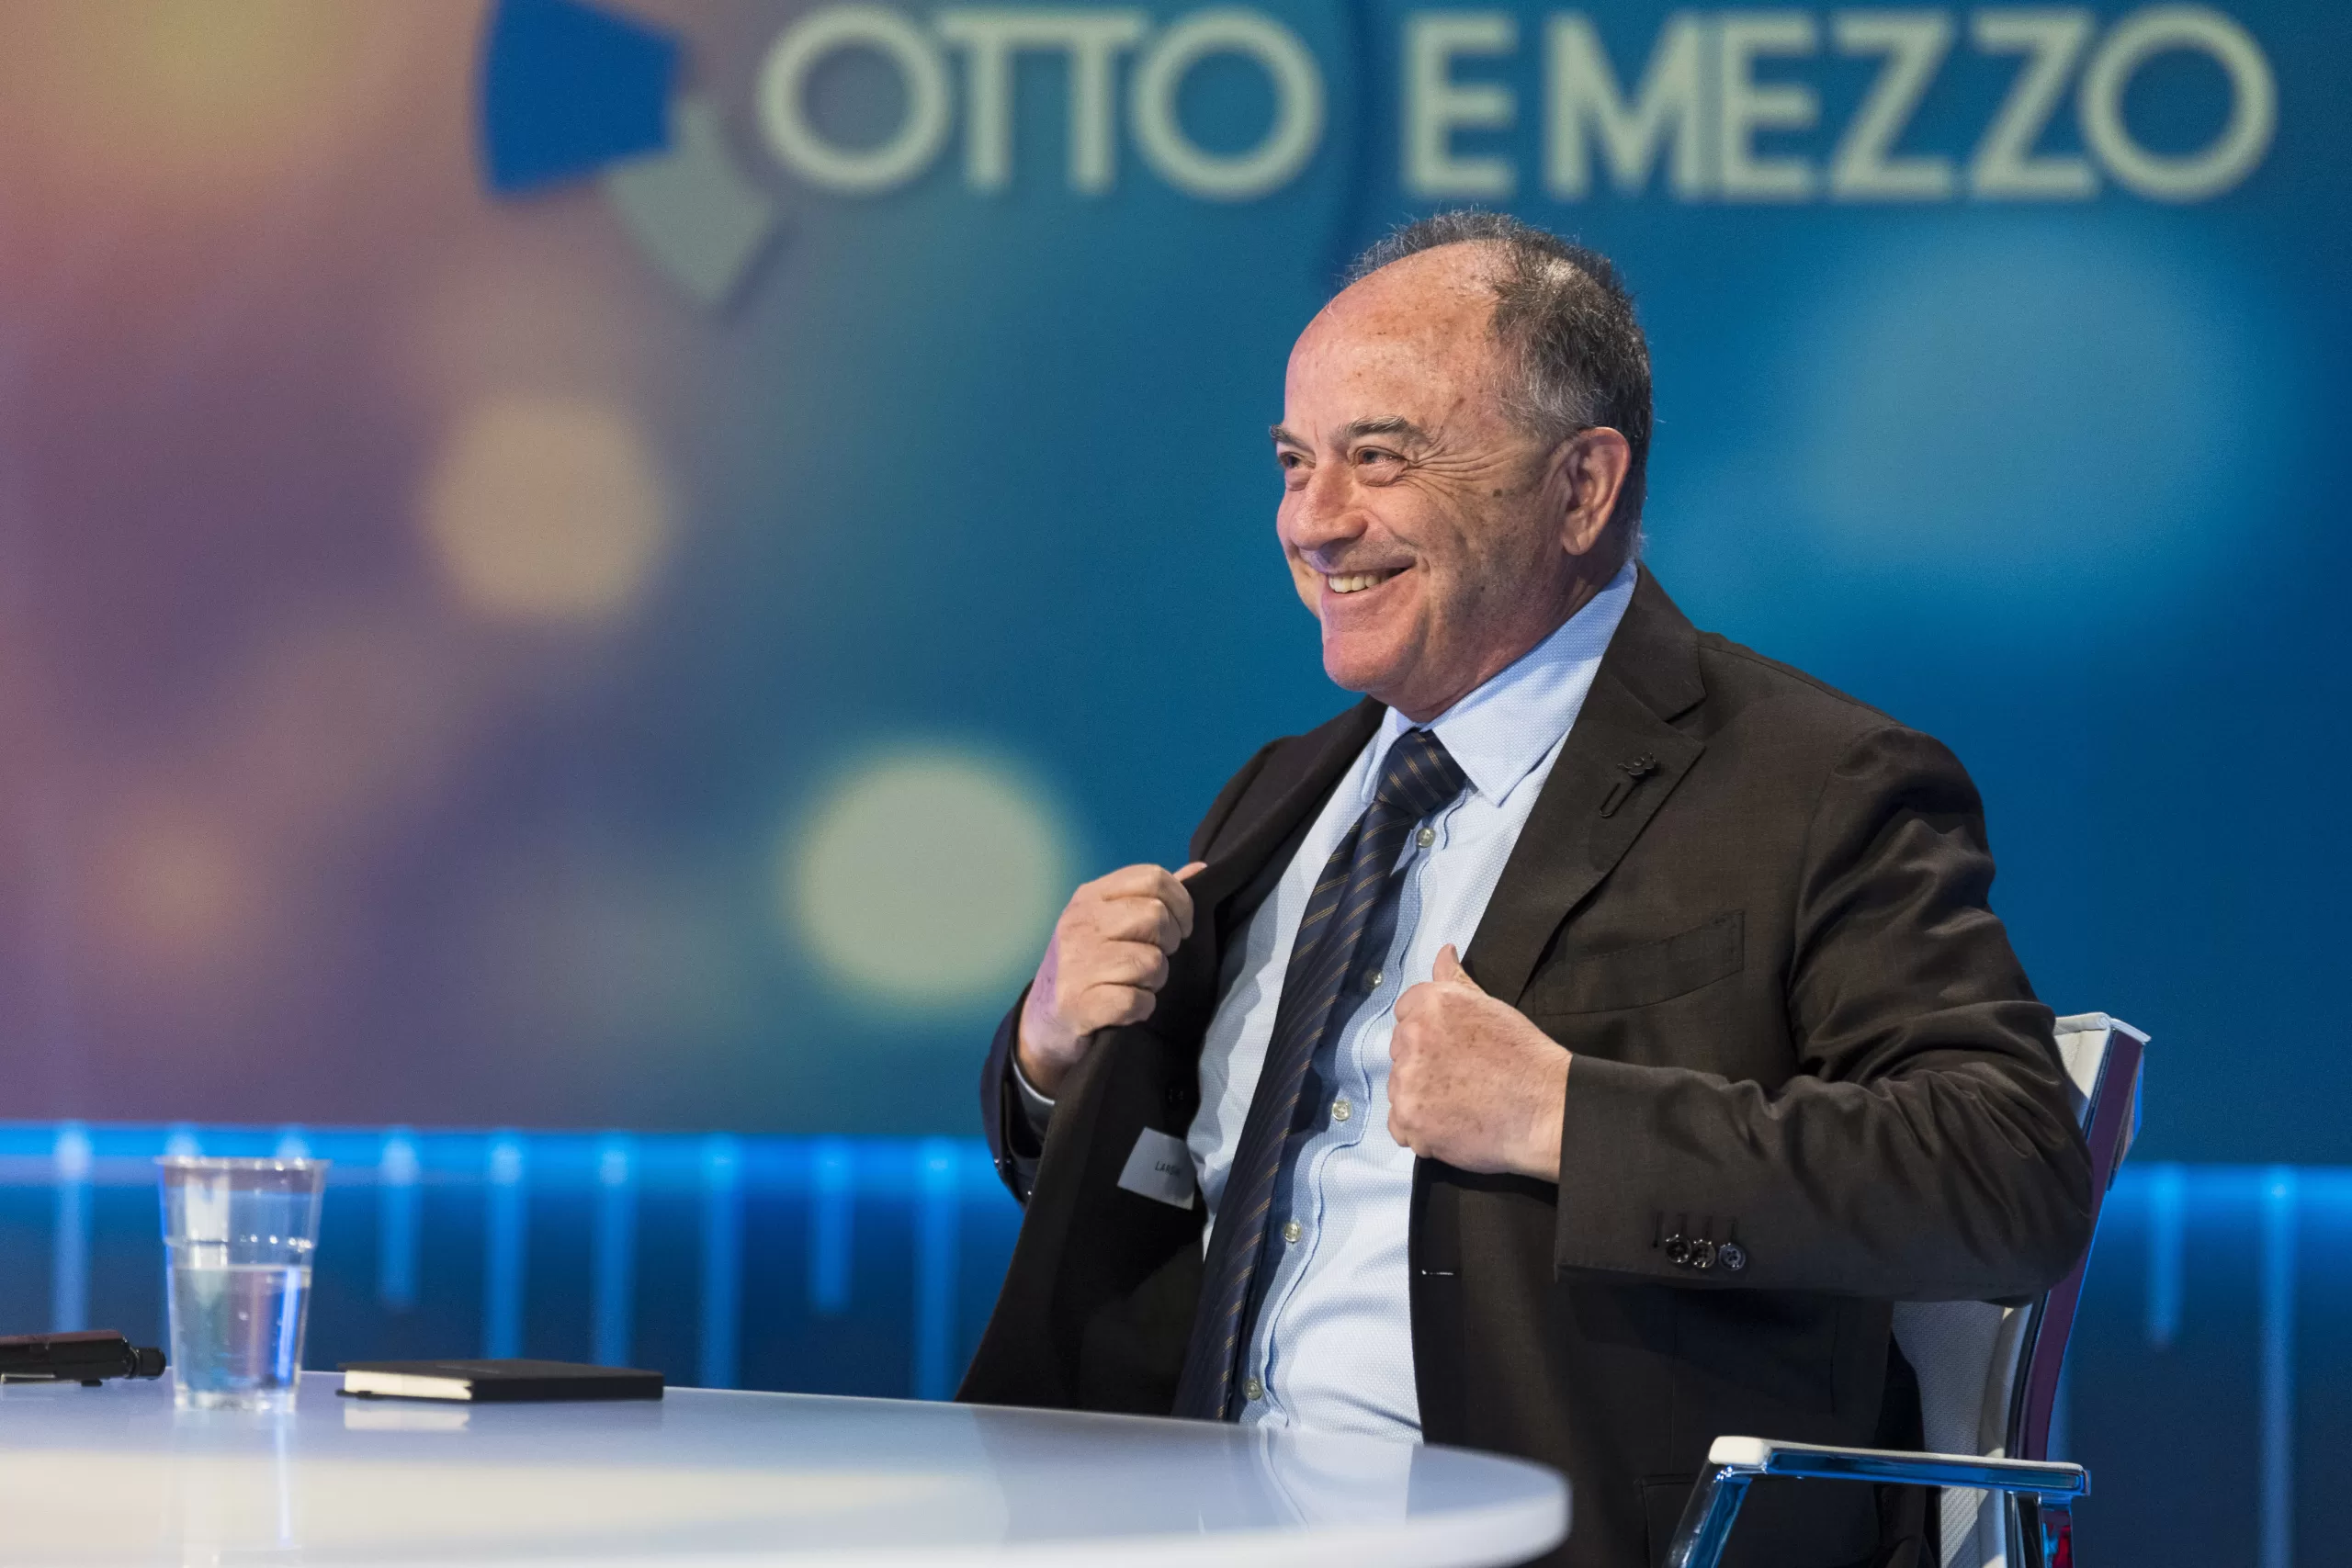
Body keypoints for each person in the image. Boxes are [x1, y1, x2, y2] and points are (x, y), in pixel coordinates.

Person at [957, 210, 2093, 1568]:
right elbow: (1172, 1189)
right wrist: (1049, 1060)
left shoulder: (1812, 784)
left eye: (1382, 457)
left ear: (1581, 488)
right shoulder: (1282, 792)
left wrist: (1569, 1117)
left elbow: (2009, 1175)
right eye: (1296, 462)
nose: (1314, 521)